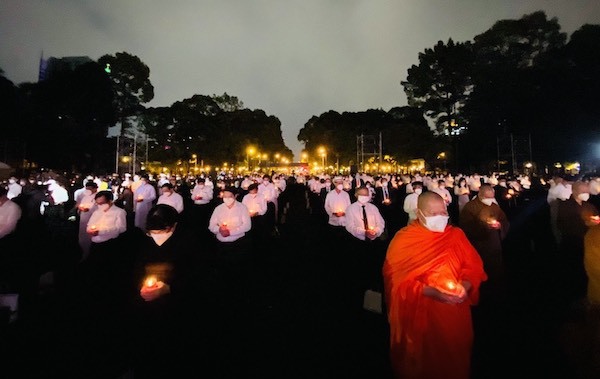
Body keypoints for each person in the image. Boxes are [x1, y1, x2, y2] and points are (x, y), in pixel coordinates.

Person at [383, 191, 487, 379]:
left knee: (455, 360)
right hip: (423, 315)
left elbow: (473, 266)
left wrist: (465, 285)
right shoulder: (404, 240)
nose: (440, 218)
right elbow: (396, 282)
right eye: (433, 214)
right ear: (419, 212)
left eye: (443, 213)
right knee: (427, 364)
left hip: (454, 312)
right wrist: (431, 292)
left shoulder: (456, 235)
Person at [130, 204, 209, 378]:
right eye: (153, 232)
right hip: (148, 311)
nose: (157, 236)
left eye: (162, 231)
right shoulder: (145, 242)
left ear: (173, 226)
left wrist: (170, 288)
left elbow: (197, 275)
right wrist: (141, 287)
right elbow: (136, 269)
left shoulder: (188, 242)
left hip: (178, 310)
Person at [459, 183, 509, 307]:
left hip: (494, 242)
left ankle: (497, 290)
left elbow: (503, 219)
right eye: (488, 197)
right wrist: (485, 227)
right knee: (482, 266)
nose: (490, 200)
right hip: (480, 243)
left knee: (496, 267)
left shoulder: (494, 206)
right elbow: (466, 226)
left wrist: (500, 226)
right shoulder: (470, 207)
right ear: (480, 195)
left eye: (492, 197)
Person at [557, 180, 600, 303]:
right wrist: (585, 224)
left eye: (587, 191)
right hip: (573, 244)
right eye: (583, 191)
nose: (586, 193)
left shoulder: (590, 206)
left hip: (590, 245)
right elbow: (562, 225)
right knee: (575, 271)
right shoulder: (565, 205)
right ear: (575, 191)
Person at [344, 186, 386, 308]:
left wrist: (376, 231)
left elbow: (381, 223)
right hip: (358, 243)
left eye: (366, 194)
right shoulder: (351, 209)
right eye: (362, 194)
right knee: (360, 269)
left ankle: (374, 293)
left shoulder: (373, 208)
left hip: (374, 242)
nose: (364, 197)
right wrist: (363, 232)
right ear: (356, 195)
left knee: (374, 268)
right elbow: (350, 226)